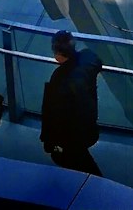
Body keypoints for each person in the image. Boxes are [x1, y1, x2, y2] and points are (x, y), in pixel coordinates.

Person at [40, 30, 102, 174]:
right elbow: (96, 62)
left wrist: (50, 142)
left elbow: (53, 113)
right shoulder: (88, 58)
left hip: (71, 136)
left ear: (57, 54)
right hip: (88, 127)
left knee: (77, 164)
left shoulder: (59, 79)